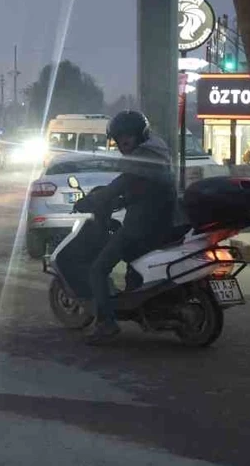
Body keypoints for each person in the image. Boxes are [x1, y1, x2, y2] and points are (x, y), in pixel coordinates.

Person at [75, 110, 177, 344]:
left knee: (98, 269)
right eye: (118, 140)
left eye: (126, 139)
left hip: (141, 226)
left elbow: (120, 184)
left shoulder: (142, 159)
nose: (122, 145)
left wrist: (92, 201)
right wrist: (122, 200)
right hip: (161, 221)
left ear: (139, 136)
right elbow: (141, 190)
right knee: (132, 263)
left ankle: (106, 324)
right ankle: (141, 308)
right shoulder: (157, 153)